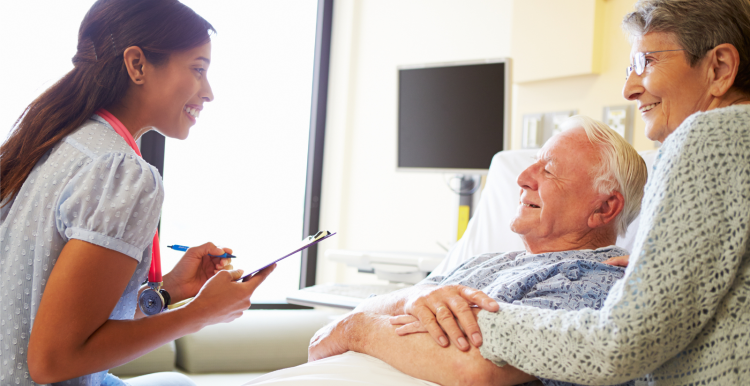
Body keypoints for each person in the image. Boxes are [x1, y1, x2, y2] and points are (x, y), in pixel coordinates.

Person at [373, 0, 750, 385]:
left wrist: (465, 320)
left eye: (646, 62)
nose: (629, 88)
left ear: (719, 68)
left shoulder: (708, 139)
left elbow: (618, 347)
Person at [244, 116, 648, 386]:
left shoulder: (600, 283)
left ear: (604, 208)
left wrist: (359, 329)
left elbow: (471, 368)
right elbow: (319, 342)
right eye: (532, 165)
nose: (523, 178)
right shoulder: (482, 263)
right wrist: (410, 298)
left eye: (549, 170)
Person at [0, 1, 275, 385]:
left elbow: (61, 314)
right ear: (137, 65)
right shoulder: (124, 174)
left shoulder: (47, 143)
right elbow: (54, 361)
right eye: (198, 69)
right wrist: (198, 314)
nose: (208, 92)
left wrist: (166, 294)